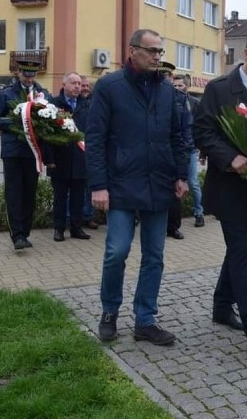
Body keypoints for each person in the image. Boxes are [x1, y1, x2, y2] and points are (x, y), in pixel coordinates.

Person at [86, 29, 189, 346]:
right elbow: (95, 139)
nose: (158, 56)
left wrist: (181, 175)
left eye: (160, 51)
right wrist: (99, 185)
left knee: (155, 256)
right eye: (152, 51)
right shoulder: (109, 87)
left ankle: (145, 319)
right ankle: (109, 313)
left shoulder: (167, 91)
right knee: (117, 251)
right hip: (120, 184)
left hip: (159, 184)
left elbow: (177, 136)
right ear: (132, 51)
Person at [193, 30, 247, 347]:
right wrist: (231, 158)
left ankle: (220, 306)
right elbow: (202, 132)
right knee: (242, 252)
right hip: (228, 185)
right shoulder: (219, 90)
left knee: (238, 251)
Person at [0, 59, 52, 250]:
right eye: (26, 75)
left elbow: (52, 116)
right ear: (19, 74)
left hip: (33, 152)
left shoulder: (43, 94)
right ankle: (17, 235)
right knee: (14, 194)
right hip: (13, 151)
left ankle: (25, 231)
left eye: (33, 75)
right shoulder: (7, 94)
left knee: (29, 194)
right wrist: (16, 122)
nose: (30, 79)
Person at [47, 71, 92, 242]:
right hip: (60, 159)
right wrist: (49, 159)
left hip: (81, 159)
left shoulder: (86, 105)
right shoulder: (53, 104)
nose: (77, 86)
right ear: (64, 85)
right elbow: (47, 135)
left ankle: (76, 228)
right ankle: (58, 229)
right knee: (60, 197)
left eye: (79, 83)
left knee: (78, 198)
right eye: (73, 83)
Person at [172, 74, 206, 228]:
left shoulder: (194, 103)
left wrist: (200, 148)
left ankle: (199, 213)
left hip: (190, 150)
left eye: (180, 85)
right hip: (174, 149)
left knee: (192, 182)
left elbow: (200, 127)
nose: (177, 88)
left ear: (187, 86)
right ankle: (173, 219)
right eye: (175, 86)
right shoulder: (170, 102)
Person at [160, 62, 186, 240]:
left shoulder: (179, 98)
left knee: (174, 194)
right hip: (156, 153)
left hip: (174, 151)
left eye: (167, 76)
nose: (164, 79)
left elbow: (185, 128)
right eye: (161, 74)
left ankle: (173, 226)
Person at [79, 75, 99, 229]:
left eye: (86, 85)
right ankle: (72, 218)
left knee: (89, 186)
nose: (84, 88)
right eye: (82, 85)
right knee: (74, 188)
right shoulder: (74, 102)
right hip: (75, 148)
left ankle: (88, 216)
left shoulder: (95, 102)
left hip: (91, 148)